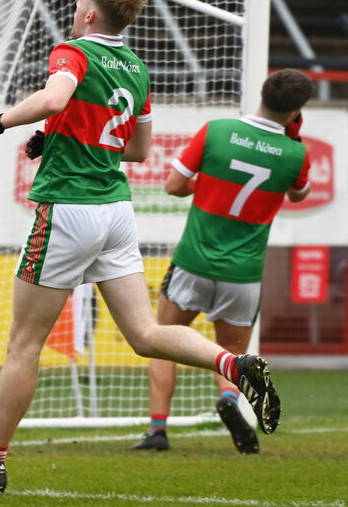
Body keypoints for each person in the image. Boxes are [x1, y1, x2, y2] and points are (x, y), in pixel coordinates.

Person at [0, 0, 281, 494]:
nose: (76, 10)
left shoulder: (73, 51)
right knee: (144, 335)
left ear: (90, 12)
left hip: (68, 211)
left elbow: (54, 99)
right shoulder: (137, 69)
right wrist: (60, 138)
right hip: (116, 212)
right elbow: (139, 150)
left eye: (80, 3)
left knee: (23, 345)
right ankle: (232, 365)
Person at [132, 69, 313, 454]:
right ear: (296, 111)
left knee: (162, 339)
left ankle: (157, 431)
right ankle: (230, 402)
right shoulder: (296, 154)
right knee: (231, 357)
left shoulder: (215, 131)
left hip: (193, 262)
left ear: (262, 92)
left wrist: (209, 185)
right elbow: (299, 196)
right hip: (242, 275)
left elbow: (173, 186)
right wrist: (292, 139)